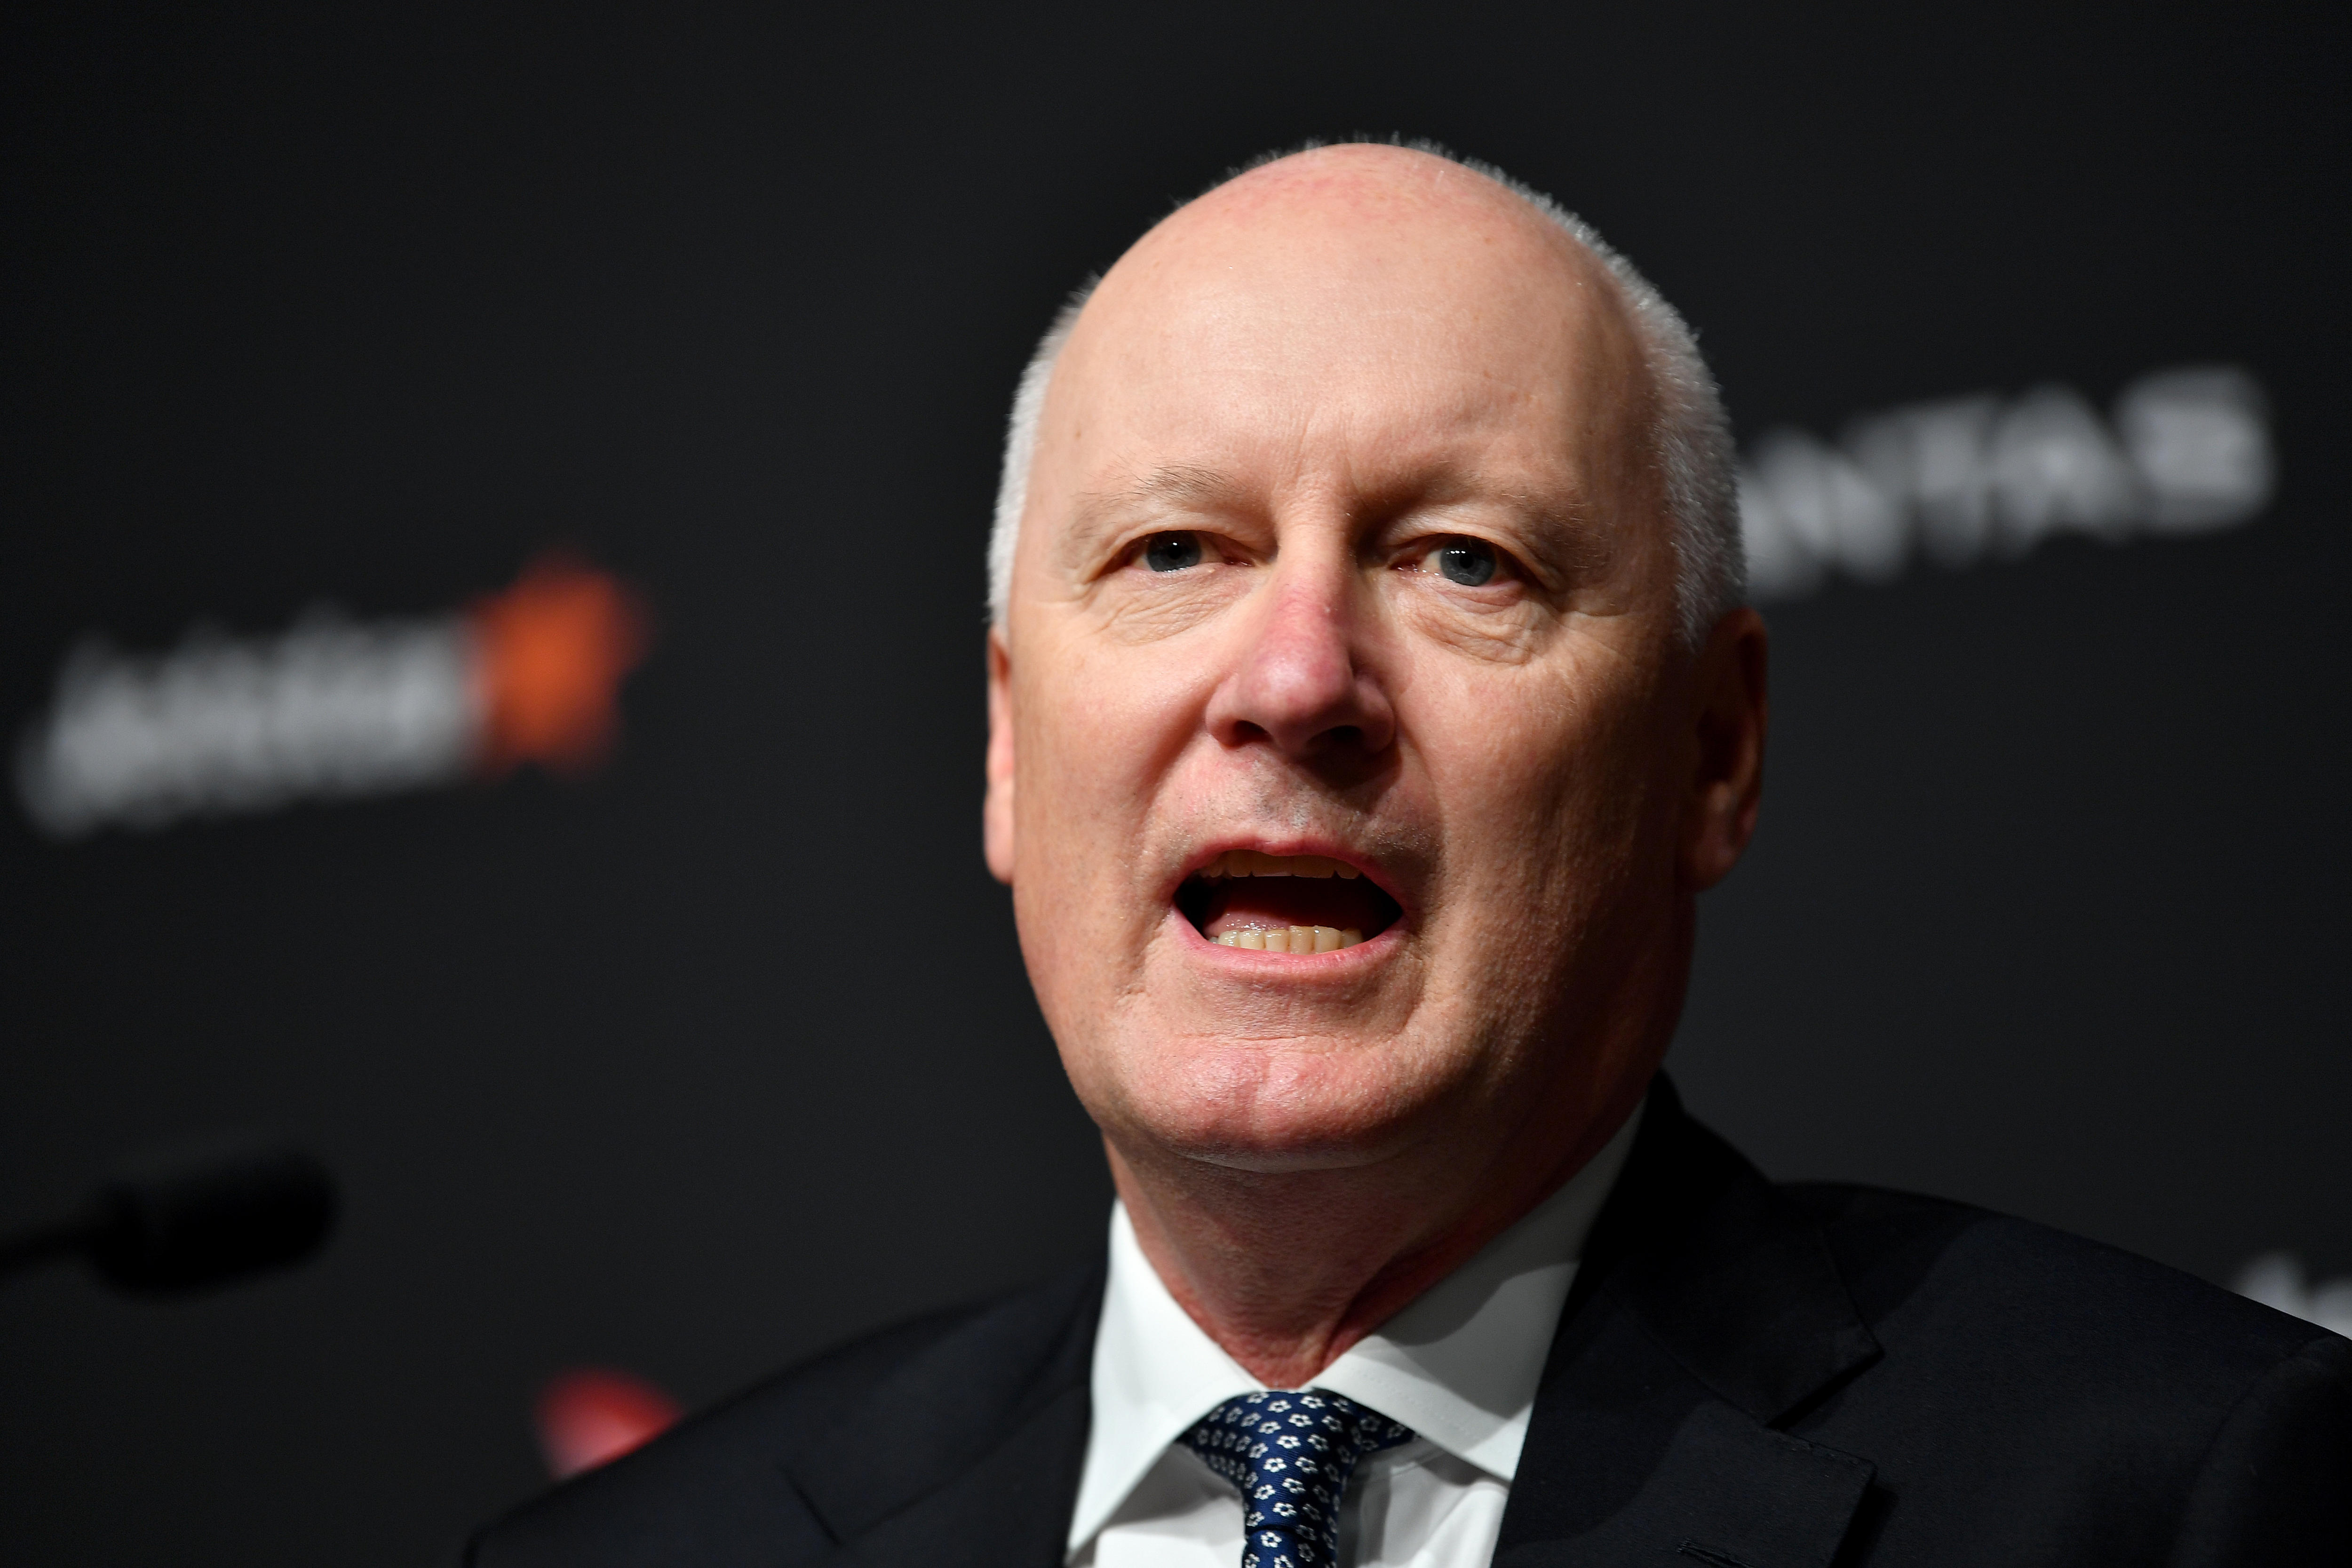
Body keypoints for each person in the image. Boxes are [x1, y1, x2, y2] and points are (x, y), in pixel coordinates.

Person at [467, 143, 2350, 1567]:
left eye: (1465, 561)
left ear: (1713, 750)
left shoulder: (2178, 1494)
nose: (1292, 680)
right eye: (1172, 554)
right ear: (1006, 744)